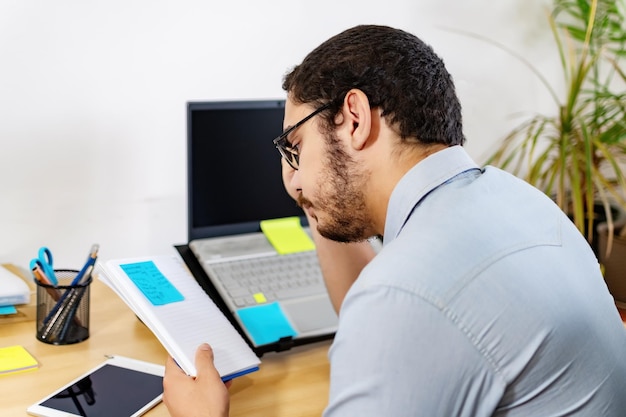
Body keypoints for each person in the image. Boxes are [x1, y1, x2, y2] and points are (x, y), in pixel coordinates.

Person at [163, 25, 626, 416]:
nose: (291, 177)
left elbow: (395, 307)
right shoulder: (520, 200)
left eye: (295, 148)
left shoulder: (401, 298)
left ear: (355, 119)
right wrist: (315, 197)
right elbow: (373, 309)